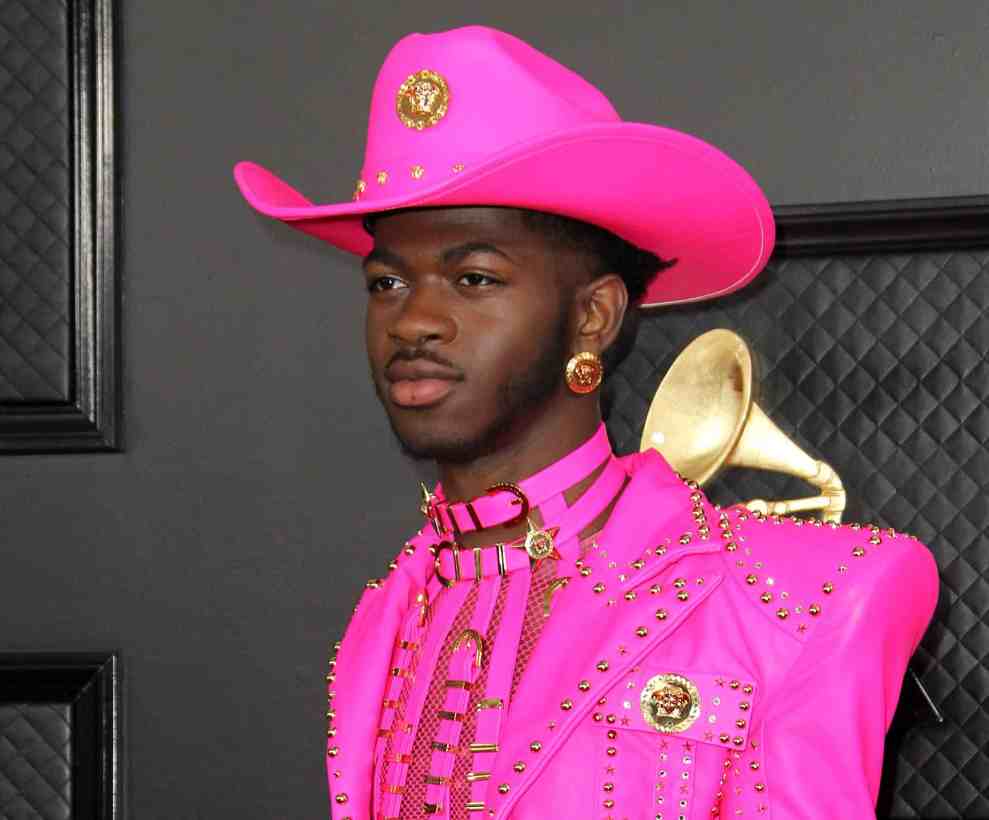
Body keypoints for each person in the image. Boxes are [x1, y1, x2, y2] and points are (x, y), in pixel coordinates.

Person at [234, 25, 939, 820]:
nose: (413, 322)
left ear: (594, 316)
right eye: (387, 283)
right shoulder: (389, 612)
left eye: (472, 277)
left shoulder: (807, 596)